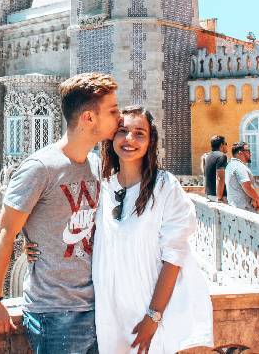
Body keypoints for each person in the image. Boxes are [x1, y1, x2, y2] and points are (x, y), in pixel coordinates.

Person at [0, 72, 121, 353]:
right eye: (112, 110)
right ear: (88, 118)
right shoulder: (40, 168)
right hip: (54, 315)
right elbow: (4, 233)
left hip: (97, 310)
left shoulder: (96, 165)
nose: (118, 117)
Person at [87, 106, 213, 353]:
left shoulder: (165, 186)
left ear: (150, 141)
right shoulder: (102, 187)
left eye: (139, 133)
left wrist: (152, 317)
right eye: (122, 131)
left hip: (149, 316)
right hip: (110, 319)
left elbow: (174, 257)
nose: (129, 139)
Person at [225, 142, 259, 212]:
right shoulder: (239, 166)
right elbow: (247, 186)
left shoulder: (230, 165)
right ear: (240, 153)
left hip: (236, 208)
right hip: (243, 210)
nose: (250, 154)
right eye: (248, 151)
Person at [202, 135, 228, 202]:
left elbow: (205, 175)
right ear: (221, 144)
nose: (227, 146)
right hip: (219, 196)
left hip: (209, 194)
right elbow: (220, 178)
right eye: (226, 144)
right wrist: (219, 198)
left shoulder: (208, 156)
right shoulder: (222, 156)